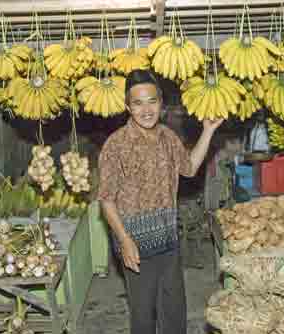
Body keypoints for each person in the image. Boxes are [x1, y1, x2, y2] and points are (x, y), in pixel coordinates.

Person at [97, 69, 223, 334]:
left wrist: (208, 131)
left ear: (161, 103)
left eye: (151, 101)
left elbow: (189, 167)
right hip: (135, 244)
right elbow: (107, 200)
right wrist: (124, 240)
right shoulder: (116, 145)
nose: (146, 110)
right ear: (127, 107)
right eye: (138, 103)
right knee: (143, 317)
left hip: (168, 240)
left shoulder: (167, 137)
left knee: (175, 312)